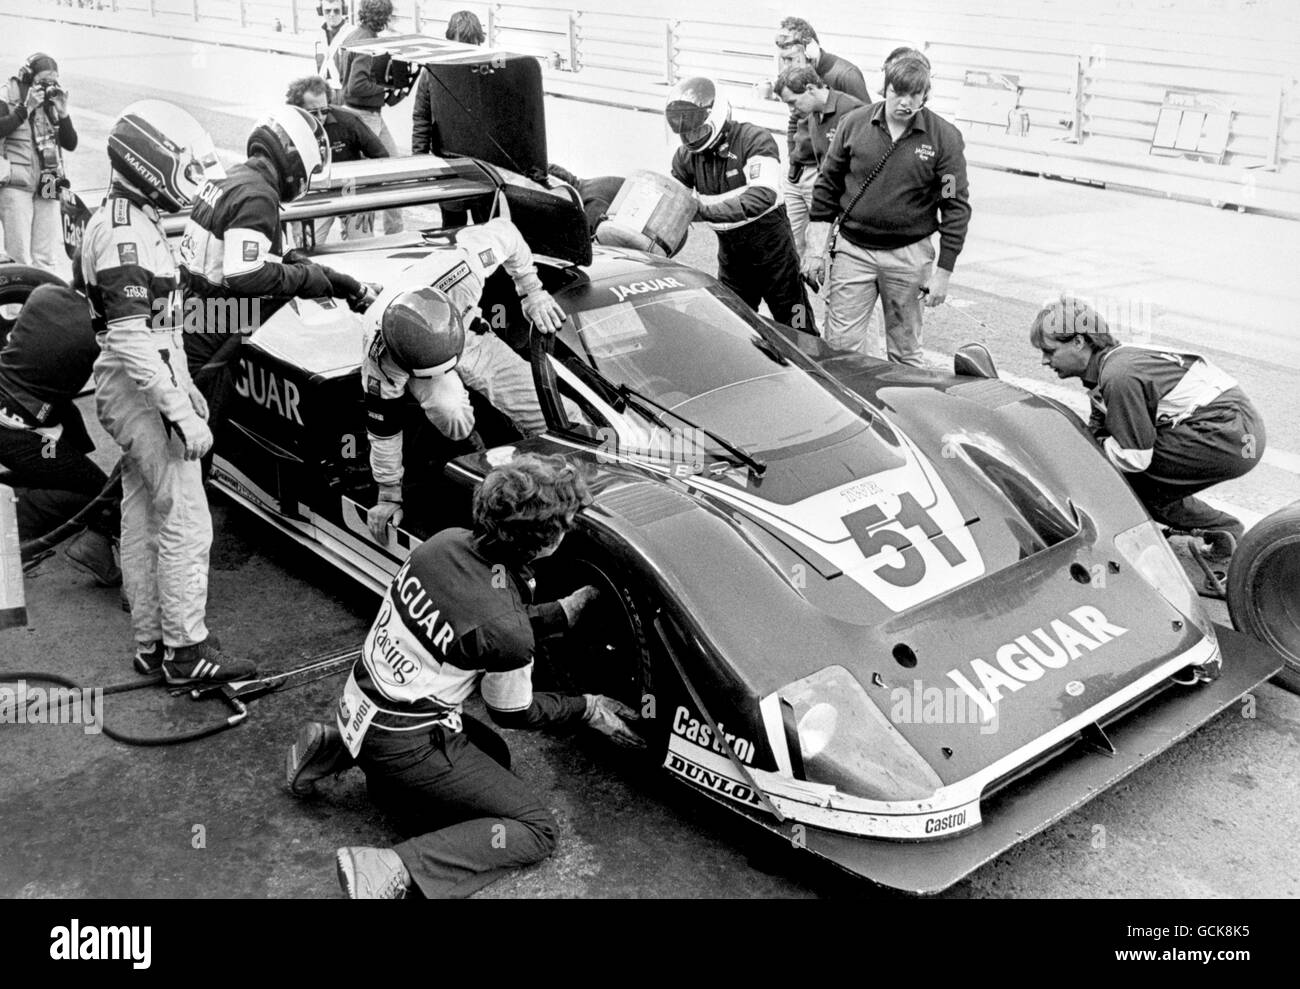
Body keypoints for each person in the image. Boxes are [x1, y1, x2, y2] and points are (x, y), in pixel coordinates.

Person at [285, 453, 643, 899]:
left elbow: (474, 624)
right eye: (567, 521)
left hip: (363, 702)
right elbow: (512, 711)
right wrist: (586, 708)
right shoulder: (506, 631)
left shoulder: (445, 543)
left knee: (492, 755)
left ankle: (332, 747)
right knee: (535, 829)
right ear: (547, 541)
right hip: (405, 741)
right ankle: (391, 865)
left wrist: (559, 614)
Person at [84, 101, 256, 683]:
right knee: (185, 521)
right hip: (139, 390)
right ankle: (187, 653)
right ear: (151, 163)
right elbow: (135, 337)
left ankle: (153, 644)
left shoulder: (126, 219)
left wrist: (185, 386)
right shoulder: (126, 234)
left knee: (142, 516)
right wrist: (180, 411)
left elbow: (160, 327)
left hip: (137, 384)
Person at [178, 105, 373, 463]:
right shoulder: (258, 196)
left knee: (174, 444)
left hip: (190, 313)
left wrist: (331, 279)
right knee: (190, 451)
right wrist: (305, 278)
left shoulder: (230, 178)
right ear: (295, 160)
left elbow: (246, 259)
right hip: (212, 329)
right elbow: (244, 274)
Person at [358, 217, 571, 542]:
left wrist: (532, 292)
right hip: (421, 358)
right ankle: (471, 447)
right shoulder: (381, 361)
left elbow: (509, 233)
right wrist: (388, 495)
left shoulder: (466, 267)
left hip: (468, 331)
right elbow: (384, 432)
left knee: (550, 410)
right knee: (450, 410)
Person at [1031, 296, 1265, 560]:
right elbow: (1099, 430)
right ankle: (1224, 530)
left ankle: (1131, 537)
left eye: (1049, 351)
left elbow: (1133, 458)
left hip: (1230, 432)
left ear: (1078, 342)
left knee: (1127, 478)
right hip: (1239, 431)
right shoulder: (1111, 366)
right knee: (1135, 486)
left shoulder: (1118, 375)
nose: (1044, 361)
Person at [805, 54, 970, 363]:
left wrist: (943, 273)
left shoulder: (944, 138)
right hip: (854, 252)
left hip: (908, 257)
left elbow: (955, 205)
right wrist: (815, 250)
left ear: (926, 94)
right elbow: (827, 186)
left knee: (905, 352)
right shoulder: (853, 124)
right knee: (840, 347)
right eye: (898, 93)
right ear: (885, 89)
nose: (905, 102)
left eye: (915, 94)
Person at [667, 77, 815, 335]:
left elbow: (763, 195)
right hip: (732, 256)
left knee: (797, 323)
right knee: (731, 327)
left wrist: (704, 211)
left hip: (774, 252)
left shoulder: (754, 139)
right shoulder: (686, 156)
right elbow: (670, 201)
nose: (691, 138)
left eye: (697, 131)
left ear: (717, 117)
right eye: (685, 133)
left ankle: (813, 363)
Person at [0, 280, 120, 582]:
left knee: (69, 451)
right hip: (18, 430)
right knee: (99, 490)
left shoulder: (43, 292)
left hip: (19, 413)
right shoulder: (100, 330)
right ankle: (12, 519)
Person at [771, 20, 870, 265]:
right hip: (798, 170)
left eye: (792, 58)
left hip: (825, 174)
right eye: (783, 59)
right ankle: (796, 303)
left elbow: (867, 130)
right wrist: (793, 153)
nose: (786, 65)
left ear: (811, 49)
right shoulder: (795, 78)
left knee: (824, 251)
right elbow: (794, 119)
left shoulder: (844, 76)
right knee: (789, 248)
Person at [286, 74, 389, 243]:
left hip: (350, 189)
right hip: (315, 194)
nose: (320, 117)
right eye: (313, 112)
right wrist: (296, 218)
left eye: (324, 110)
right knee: (307, 248)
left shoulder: (348, 122)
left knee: (363, 245)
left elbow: (382, 158)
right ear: (298, 109)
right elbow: (287, 178)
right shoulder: (290, 129)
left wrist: (368, 201)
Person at [0, 53, 77, 272]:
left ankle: (44, 304)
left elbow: (70, 143)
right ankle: (17, 306)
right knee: (19, 257)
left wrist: (63, 113)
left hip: (49, 179)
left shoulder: (51, 101)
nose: (48, 86)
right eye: (43, 81)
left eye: (53, 81)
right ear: (28, 78)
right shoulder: (7, 95)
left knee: (46, 257)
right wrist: (26, 108)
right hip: (15, 182)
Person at [338, 0, 406, 234]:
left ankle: (388, 231)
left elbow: (345, 81)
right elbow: (356, 86)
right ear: (383, 17)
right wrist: (385, 90)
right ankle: (373, 234)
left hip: (360, 113)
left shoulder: (353, 35)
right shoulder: (370, 43)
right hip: (366, 116)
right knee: (375, 179)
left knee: (390, 173)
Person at [410, 9, 486, 157]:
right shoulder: (432, 71)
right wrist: (419, 158)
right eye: (461, 46)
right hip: (446, 155)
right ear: (450, 41)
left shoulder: (490, 68)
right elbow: (422, 118)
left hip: (482, 157)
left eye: (471, 46)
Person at [313, 0, 350, 104]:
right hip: (323, 89)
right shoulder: (319, 34)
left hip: (343, 92)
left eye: (336, 11)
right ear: (321, 11)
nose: (332, 15)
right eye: (327, 11)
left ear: (344, 10)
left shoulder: (351, 33)